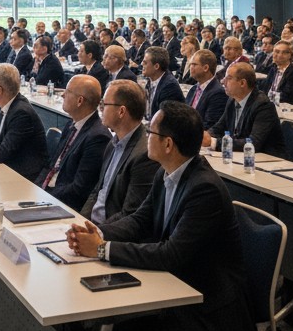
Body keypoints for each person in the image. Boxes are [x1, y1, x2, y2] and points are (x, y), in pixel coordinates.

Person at [66, 102, 264, 331]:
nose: (146, 135)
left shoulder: (204, 189)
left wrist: (101, 250)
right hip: (177, 292)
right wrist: (96, 233)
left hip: (210, 315)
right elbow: (139, 221)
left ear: (168, 144)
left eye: (151, 131)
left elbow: (171, 254)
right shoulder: (166, 172)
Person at [81, 80, 156, 226]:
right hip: (93, 225)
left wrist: (95, 232)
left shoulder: (144, 156)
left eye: (104, 104)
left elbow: (130, 214)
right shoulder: (113, 143)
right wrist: (80, 221)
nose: (100, 109)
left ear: (121, 111)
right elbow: (98, 192)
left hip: (111, 233)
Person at [35, 76, 110, 210]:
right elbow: (51, 165)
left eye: (68, 91)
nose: (63, 94)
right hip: (48, 195)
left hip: (64, 205)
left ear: (79, 101)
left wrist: (45, 195)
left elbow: (79, 188)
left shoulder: (98, 137)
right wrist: (35, 188)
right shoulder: (72, 123)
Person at [205, 62, 286, 158]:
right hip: (241, 157)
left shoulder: (263, 105)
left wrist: (213, 142)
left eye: (229, 78)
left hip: (267, 161)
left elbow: (254, 142)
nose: (223, 81)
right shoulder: (232, 100)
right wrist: (205, 136)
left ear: (242, 83)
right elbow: (218, 128)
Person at [184, 49, 228, 130]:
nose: (190, 67)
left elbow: (210, 125)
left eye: (194, 64)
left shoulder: (218, 93)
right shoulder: (194, 89)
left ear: (205, 68)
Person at [141, 46, 185, 118]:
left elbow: (165, 119)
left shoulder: (169, 86)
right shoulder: (151, 80)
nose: (142, 64)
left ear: (156, 66)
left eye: (145, 62)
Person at [259, 41, 293, 106]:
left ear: (290, 55)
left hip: (287, 109)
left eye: (284, 53)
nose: (279, 55)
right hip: (271, 105)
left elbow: (287, 97)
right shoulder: (273, 69)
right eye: (276, 52)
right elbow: (265, 88)